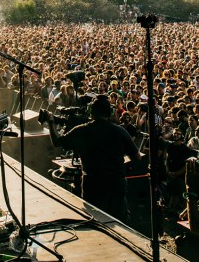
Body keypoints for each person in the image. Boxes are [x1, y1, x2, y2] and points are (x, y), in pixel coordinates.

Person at [43, 94, 141, 222]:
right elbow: (137, 157)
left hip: (93, 185)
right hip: (116, 184)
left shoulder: (82, 130)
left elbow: (57, 142)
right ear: (110, 112)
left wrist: (51, 121)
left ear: (91, 112)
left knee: (95, 222)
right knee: (120, 223)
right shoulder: (120, 131)